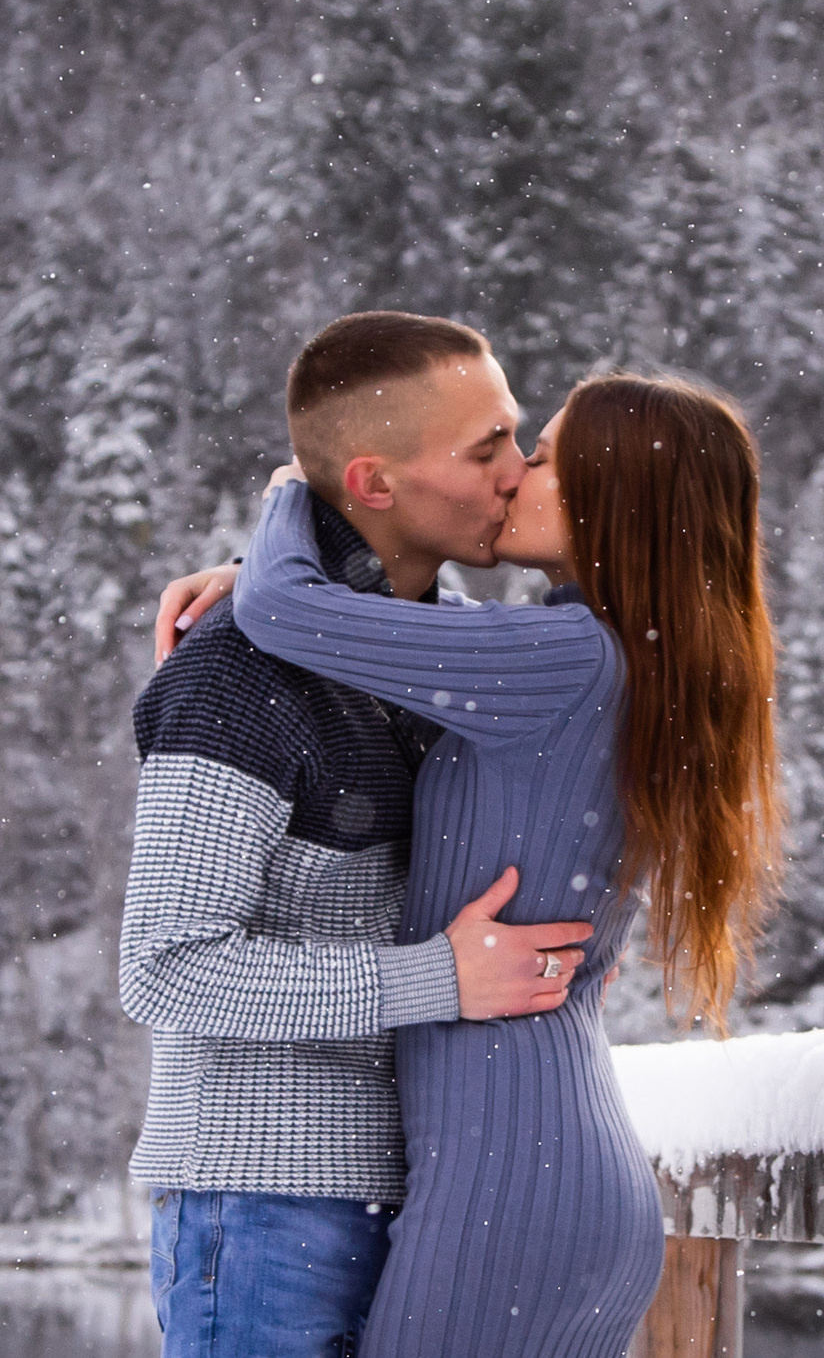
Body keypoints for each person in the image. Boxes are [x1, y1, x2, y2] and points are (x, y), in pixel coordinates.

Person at [163, 368, 783, 1358]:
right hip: (556, 1169)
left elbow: (286, 612)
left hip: (508, 1185)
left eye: (544, 457)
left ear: (612, 500)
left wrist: (293, 497)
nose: (514, 475)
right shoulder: (599, 657)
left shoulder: (565, 658)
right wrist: (275, 580)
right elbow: (358, 625)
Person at [118, 312, 594, 1358]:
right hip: (263, 1204)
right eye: (486, 448)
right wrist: (439, 979)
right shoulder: (235, 674)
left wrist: (270, 550)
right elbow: (166, 967)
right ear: (375, 484)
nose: (518, 471)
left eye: (515, 436)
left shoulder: (451, 655)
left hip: (424, 1203)